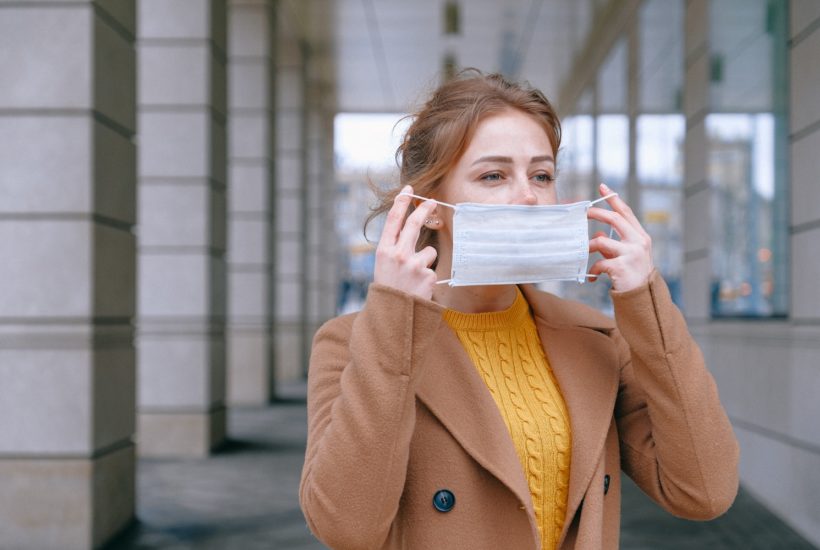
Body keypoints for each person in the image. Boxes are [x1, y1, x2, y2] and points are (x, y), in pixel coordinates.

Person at [299, 70, 739, 550]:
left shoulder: (595, 338)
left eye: (542, 175)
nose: (529, 196)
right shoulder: (351, 343)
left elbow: (705, 492)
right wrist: (393, 317)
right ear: (431, 206)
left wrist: (646, 304)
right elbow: (345, 526)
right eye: (493, 175)